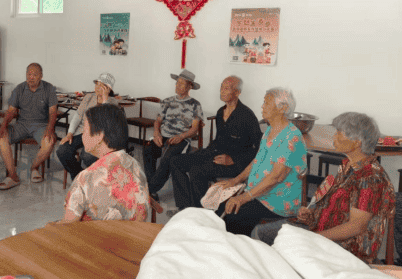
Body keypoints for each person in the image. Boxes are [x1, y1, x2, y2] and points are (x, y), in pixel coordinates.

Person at [253, 112, 395, 263]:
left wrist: (313, 237)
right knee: (261, 233)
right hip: (322, 230)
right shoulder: (347, 166)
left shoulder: (370, 178)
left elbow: (356, 227)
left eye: (339, 132)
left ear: (357, 142)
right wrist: (311, 213)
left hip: (347, 247)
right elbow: (335, 206)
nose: (334, 136)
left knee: (274, 244)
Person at [215, 87, 307, 237]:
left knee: (233, 216)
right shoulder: (270, 131)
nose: (262, 106)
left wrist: (244, 197)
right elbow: (256, 161)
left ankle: (239, 247)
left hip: (276, 200)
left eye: (266, 103)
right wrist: (235, 180)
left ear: (282, 108)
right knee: (220, 206)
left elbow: (276, 177)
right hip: (258, 192)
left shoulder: (292, 137)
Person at [169, 76, 262, 214]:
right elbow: (218, 140)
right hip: (215, 154)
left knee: (197, 171)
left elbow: (260, 149)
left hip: (234, 164)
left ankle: (199, 213)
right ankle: (185, 207)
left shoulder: (247, 116)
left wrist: (233, 159)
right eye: (221, 87)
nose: (222, 91)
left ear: (237, 92)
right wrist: (204, 152)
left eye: (226, 88)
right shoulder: (220, 112)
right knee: (175, 161)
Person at [58, 104, 149, 222]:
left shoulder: (85, 178)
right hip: (133, 233)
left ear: (99, 136)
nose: (82, 135)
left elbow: (67, 225)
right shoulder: (136, 165)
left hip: (95, 234)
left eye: (84, 130)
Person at [143, 69, 203, 202]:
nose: (177, 86)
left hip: (182, 139)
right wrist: (157, 133)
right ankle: (152, 189)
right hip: (163, 136)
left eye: (181, 84)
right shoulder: (167, 101)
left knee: (168, 158)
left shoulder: (195, 105)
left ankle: (149, 190)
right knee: (148, 148)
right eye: (177, 83)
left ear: (189, 87)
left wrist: (181, 136)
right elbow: (158, 121)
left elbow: (194, 129)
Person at [0, 63, 57, 190]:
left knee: (49, 141)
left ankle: (34, 167)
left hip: (40, 126)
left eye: (35, 74)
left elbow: (53, 112)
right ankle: (13, 176)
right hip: (22, 125)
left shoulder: (49, 88)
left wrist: (50, 129)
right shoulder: (19, 88)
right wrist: (3, 126)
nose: (31, 77)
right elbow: (11, 111)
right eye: (29, 74)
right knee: (1, 137)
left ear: (41, 76)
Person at [56, 72, 120, 181]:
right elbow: (77, 117)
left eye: (102, 86)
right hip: (82, 132)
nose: (98, 88)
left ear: (108, 89)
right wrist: (70, 133)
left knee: (87, 156)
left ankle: (95, 178)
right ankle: (79, 177)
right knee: (62, 151)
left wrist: (105, 99)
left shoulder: (113, 102)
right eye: (97, 84)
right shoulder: (89, 97)